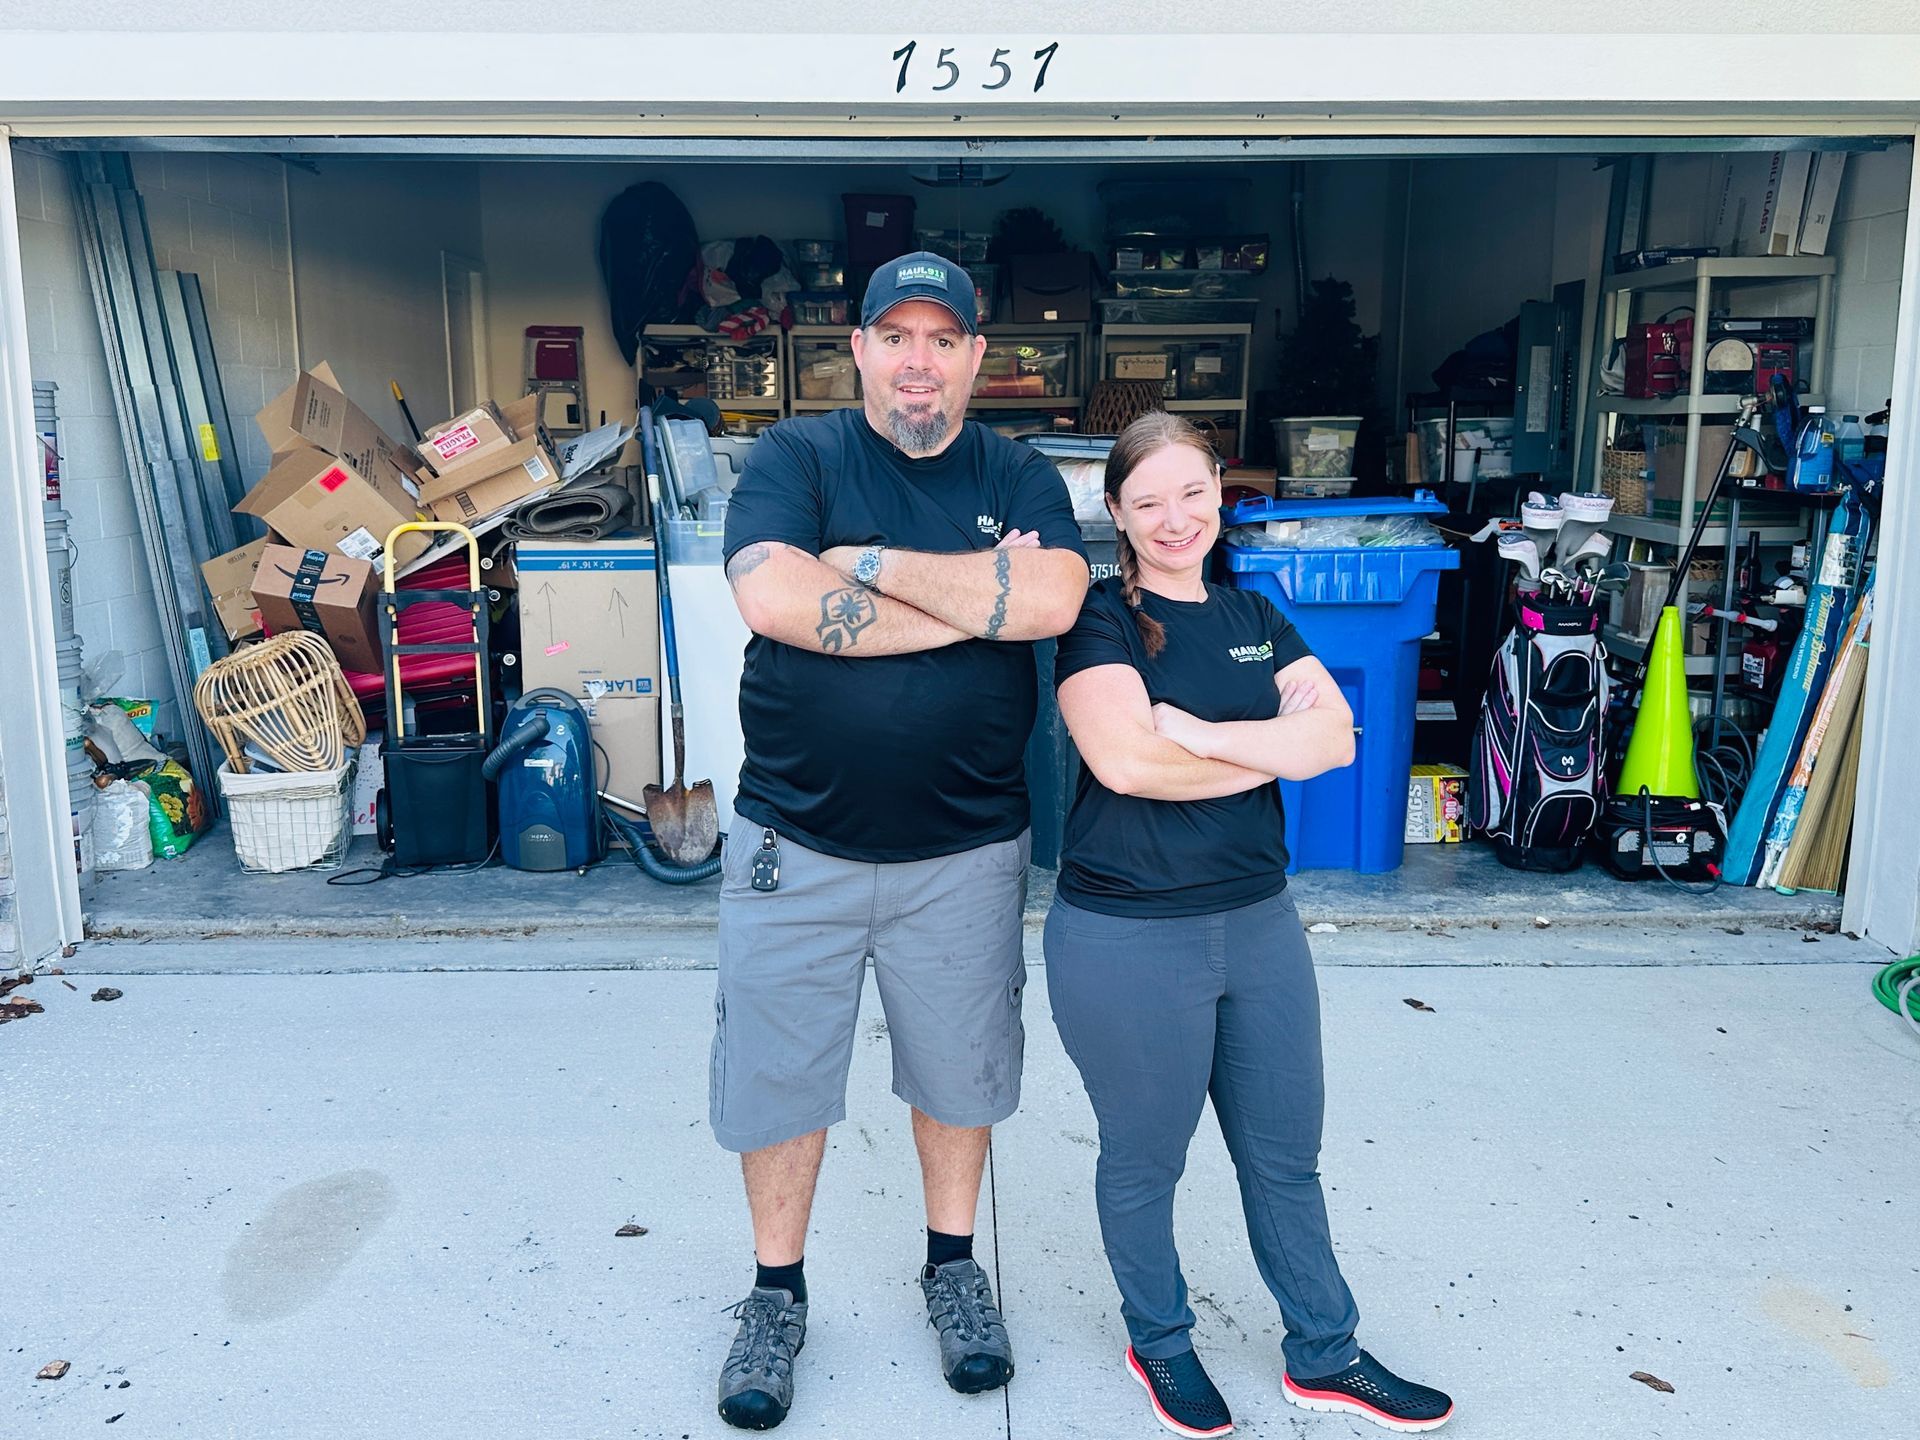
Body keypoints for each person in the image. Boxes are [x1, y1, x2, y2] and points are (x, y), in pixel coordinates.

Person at [710, 251, 1091, 1430]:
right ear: (859, 349)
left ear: (977, 356)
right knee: (778, 1082)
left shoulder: (1017, 470)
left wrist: (865, 566)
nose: (917, 360)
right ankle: (777, 1295)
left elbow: (1055, 602)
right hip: (797, 844)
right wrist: (972, 602)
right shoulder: (796, 456)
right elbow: (772, 600)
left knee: (959, 1072)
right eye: (896, 336)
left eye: (942, 338)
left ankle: (952, 1268)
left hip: (967, 852)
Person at [1043, 412, 1453, 1437]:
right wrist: (1270, 744)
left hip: (1261, 923)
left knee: (1285, 1158)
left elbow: (1339, 739)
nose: (1174, 518)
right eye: (1148, 503)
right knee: (1147, 1158)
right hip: (1126, 935)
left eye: (1191, 493)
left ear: (1219, 493)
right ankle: (1162, 1342)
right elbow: (1126, 765)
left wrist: (1195, 729)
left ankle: (1326, 1352)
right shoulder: (1098, 620)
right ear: (1120, 517)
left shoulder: (1257, 613)